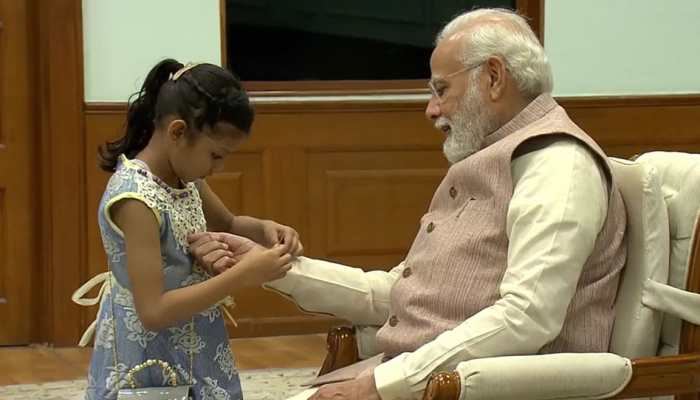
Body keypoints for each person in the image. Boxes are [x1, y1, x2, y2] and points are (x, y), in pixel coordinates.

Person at [192, 8, 628, 400]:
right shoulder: (490, 157)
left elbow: (526, 318)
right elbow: (398, 294)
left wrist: (378, 386)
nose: (431, 109)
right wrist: (275, 266)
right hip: (424, 379)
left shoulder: (558, 167)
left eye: (441, 89)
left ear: (493, 77)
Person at [74, 59, 303, 400]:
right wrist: (241, 275)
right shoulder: (136, 199)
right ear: (177, 132)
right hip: (148, 360)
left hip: (198, 344)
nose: (219, 167)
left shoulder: (185, 178)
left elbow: (228, 223)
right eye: (216, 155)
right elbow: (153, 311)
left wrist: (264, 229)